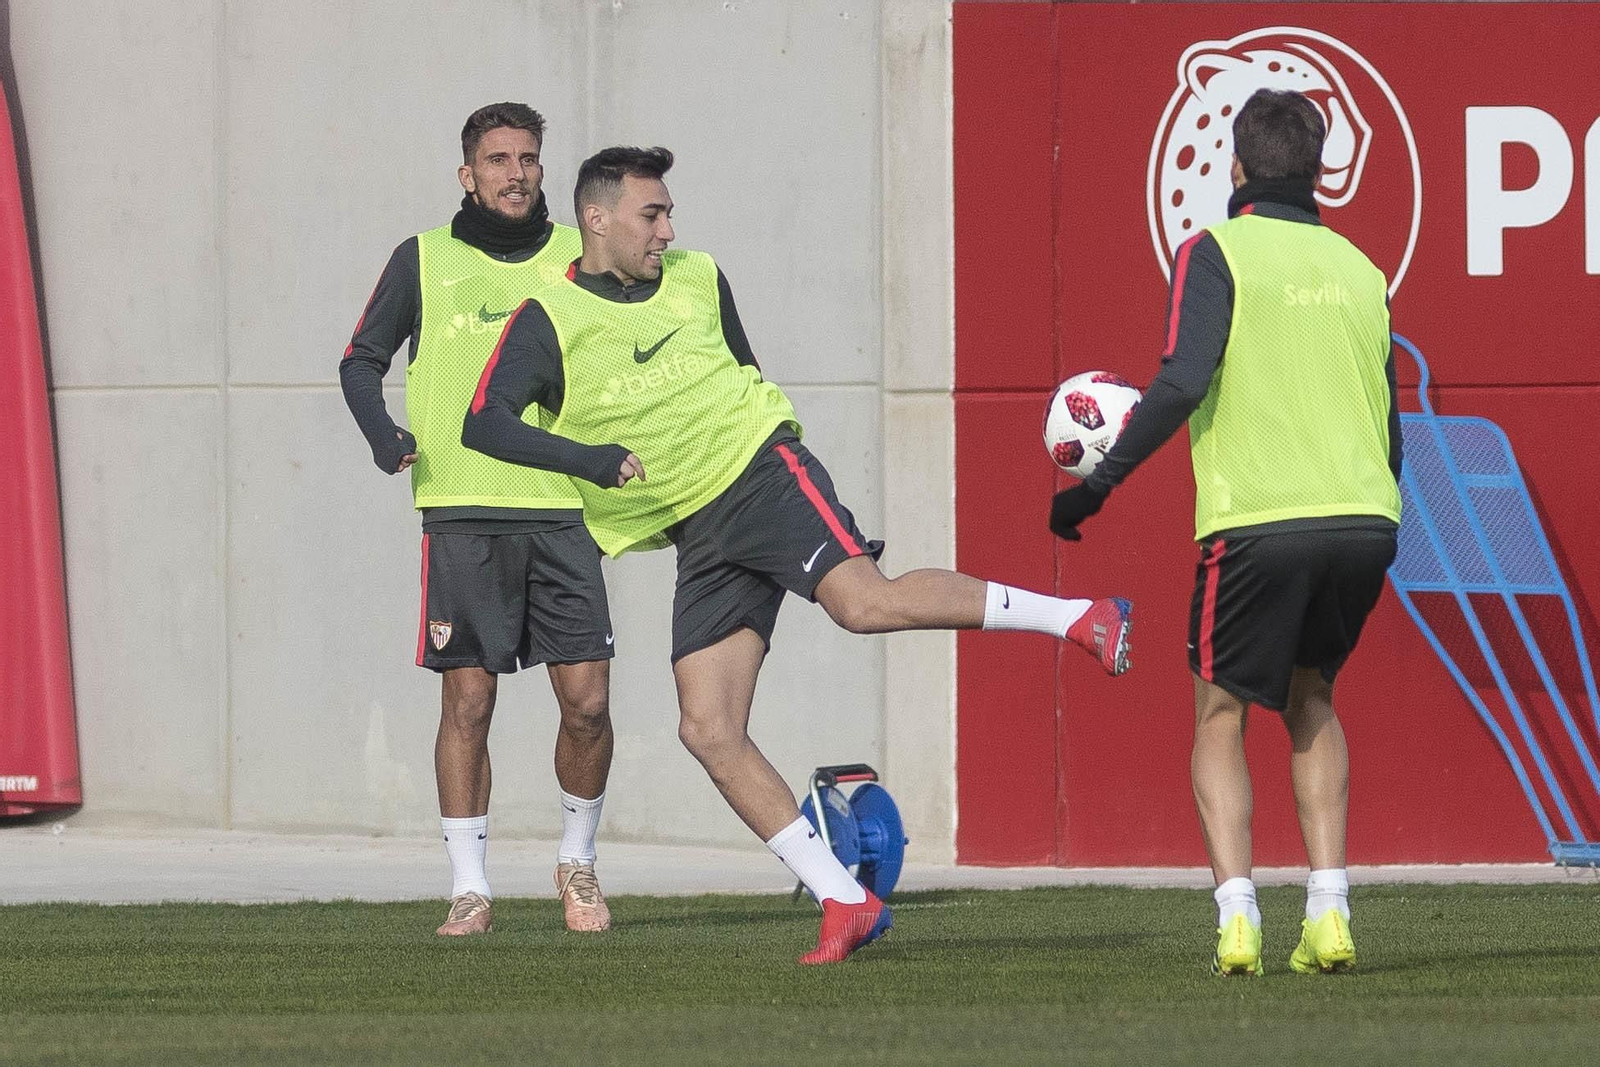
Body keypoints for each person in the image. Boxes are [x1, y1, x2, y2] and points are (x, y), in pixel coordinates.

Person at [461, 145, 1135, 964]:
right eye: (652, 214)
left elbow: (746, 373)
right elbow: (484, 423)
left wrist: (750, 451)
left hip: (761, 476)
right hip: (695, 529)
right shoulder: (549, 318)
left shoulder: (699, 275)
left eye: (669, 212)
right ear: (595, 219)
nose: (668, 230)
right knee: (707, 726)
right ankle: (845, 898)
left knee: (865, 603)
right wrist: (593, 461)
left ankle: (1080, 615)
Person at [1049, 89, 1402, 977]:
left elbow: (1179, 381)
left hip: (1258, 523)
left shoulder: (1214, 250)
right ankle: (1329, 911)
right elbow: (1392, 427)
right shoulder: (1362, 267)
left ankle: (1238, 916)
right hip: (1365, 519)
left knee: (1221, 710)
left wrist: (1094, 489)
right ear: (1319, 170)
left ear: (1235, 169)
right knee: (1312, 696)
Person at [340, 103, 619, 937]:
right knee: (468, 704)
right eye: (497, 159)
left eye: (528, 158)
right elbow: (361, 360)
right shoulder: (423, 259)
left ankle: (579, 863)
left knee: (590, 705)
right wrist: (385, 437)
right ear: (468, 174)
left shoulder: (582, 255)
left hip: (566, 511)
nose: (516, 173)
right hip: (460, 514)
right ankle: (470, 884)